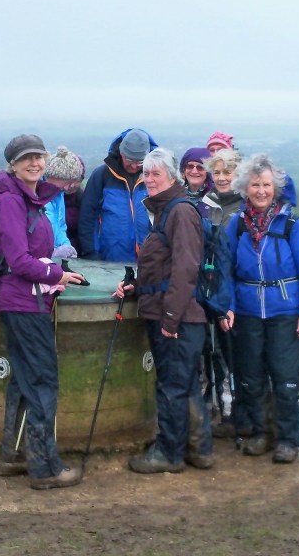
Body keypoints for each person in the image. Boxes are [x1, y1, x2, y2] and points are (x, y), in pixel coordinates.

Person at [0, 134, 85, 490]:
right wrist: (56, 273)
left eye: (39, 157)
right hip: (23, 302)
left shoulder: (27, 197)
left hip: (28, 298)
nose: (34, 163)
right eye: (26, 159)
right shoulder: (10, 201)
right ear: (13, 165)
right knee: (42, 382)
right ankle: (45, 467)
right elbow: (19, 260)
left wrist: (52, 278)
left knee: (24, 379)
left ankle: (13, 454)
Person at [115, 147, 213, 474]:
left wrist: (171, 318)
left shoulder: (180, 212)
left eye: (156, 173)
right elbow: (164, 267)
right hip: (177, 314)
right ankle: (199, 449)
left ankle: (169, 454)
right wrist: (138, 285)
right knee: (182, 383)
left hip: (178, 318)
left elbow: (186, 268)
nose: (149, 179)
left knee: (172, 384)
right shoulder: (167, 210)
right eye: (146, 173)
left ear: (172, 176)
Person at [219, 154, 299, 464]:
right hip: (248, 314)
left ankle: (289, 438)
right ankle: (261, 433)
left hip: (286, 314)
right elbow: (226, 271)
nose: (261, 191)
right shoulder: (236, 225)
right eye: (255, 185)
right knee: (251, 377)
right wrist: (229, 307)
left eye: (266, 184)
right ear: (245, 188)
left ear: (275, 188)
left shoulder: (291, 224)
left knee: (285, 379)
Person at [200, 148, 244, 438]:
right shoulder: (204, 205)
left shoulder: (245, 206)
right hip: (210, 285)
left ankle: (238, 406)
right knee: (211, 349)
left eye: (227, 172)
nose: (222, 177)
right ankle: (215, 400)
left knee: (235, 351)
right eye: (216, 172)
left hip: (239, 287)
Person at [78, 128, 157, 261]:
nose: (134, 166)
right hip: (108, 257)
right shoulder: (102, 176)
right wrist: (91, 253)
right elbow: (87, 218)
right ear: (121, 153)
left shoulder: (154, 178)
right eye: (130, 160)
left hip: (148, 260)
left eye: (140, 162)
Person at [44, 145, 86, 259]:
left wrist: (67, 246)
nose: (69, 188)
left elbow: (60, 226)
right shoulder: (37, 194)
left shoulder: (58, 194)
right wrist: (51, 253)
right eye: (68, 182)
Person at [180, 147, 214, 218]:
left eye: (200, 167)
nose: (194, 171)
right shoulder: (175, 195)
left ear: (208, 171)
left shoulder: (215, 198)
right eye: (190, 166)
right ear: (184, 170)